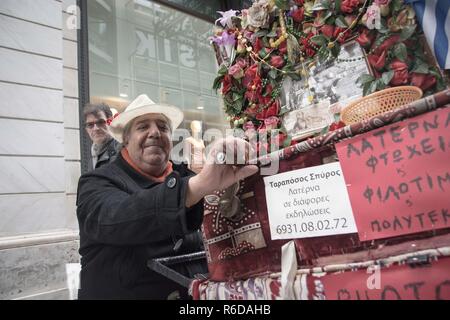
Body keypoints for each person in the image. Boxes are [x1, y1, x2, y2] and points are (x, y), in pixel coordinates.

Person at [76, 94, 258, 300]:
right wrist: (197, 186)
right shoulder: (95, 182)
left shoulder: (186, 176)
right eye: (143, 127)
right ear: (125, 139)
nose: (154, 132)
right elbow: (118, 216)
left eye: (162, 128)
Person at [83, 103, 121, 169]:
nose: (96, 128)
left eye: (100, 122)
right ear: (86, 130)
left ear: (110, 123)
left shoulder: (121, 151)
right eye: (90, 125)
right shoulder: (92, 153)